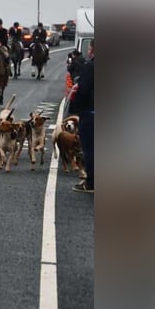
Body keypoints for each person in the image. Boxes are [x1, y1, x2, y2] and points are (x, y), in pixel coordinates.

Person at [70, 38, 94, 193]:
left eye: (90, 48)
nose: (88, 51)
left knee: (90, 148)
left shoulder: (90, 65)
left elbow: (84, 89)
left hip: (90, 112)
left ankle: (91, 183)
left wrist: (76, 90)